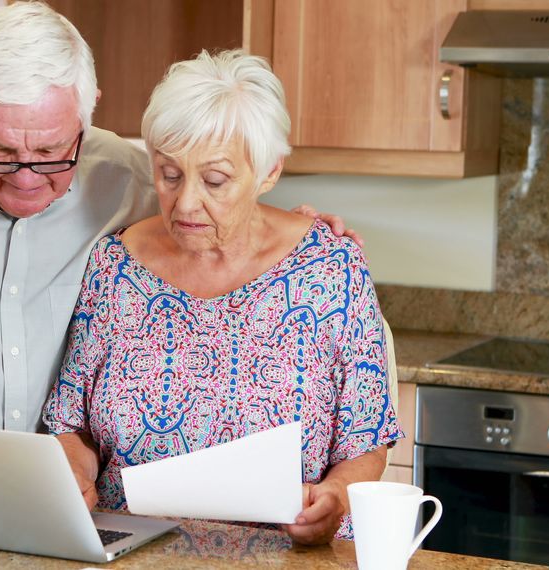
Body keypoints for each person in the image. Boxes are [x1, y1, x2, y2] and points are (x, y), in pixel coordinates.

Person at [0, 2, 358, 434]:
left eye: (51, 152)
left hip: (62, 495)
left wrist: (299, 230)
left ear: (88, 107)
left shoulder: (127, 176)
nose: (26, 175)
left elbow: (215, 221)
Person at [43, 49, 401, 545]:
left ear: (270, 172)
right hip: (133, 550)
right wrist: (75, 477)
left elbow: (367, 442)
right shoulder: (112, 266)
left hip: (285, 551)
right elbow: (72, 424)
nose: (186, 202)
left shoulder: (332, 268)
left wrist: (335, 496)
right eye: (169, 175)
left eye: (215, 180)